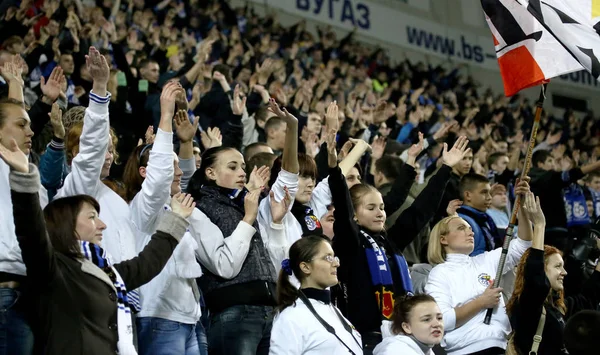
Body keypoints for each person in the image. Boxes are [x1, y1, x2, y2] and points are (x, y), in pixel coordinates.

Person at [0, 133, 195, 354]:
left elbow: (147, 263)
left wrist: (176, 220)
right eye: (92, 217)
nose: (102, 224)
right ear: (68, 226)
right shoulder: (53, 268)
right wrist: (22, 179)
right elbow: (31, 231)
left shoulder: (106, 273)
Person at [329, 133, 470, 354]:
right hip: (364, 338)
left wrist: (445, 169)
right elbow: (341, 201)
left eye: (382, 208)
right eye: (371, 208)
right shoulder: (349, 241)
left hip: (402, 336)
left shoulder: (389, 241)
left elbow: (419, 212)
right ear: (354, 215)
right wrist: (334, 168)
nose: (380, 213)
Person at [187, 145, 291, 355]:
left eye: (243, 167)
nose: (242, 173)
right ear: (210, 173)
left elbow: (276, 264)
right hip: (233, 314)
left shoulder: (246, 204)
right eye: (233, 167)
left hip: (269, 312)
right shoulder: (198, 210)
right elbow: (224, 266)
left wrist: (277, 223)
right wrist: (248, 218)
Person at [424, 178, 533, 355]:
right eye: (461, 228)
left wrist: (522, 206)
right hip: (466, 351)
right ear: (443, 239)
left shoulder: (485, 260)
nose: (470, 231)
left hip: (501, 347)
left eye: (470, 228)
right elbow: (442, 319)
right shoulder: (439, 273)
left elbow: (523, 246)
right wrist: (481, 302)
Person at [507, 192, 600, 354]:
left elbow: (588, 297)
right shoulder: (528, 306)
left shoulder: (556, 309)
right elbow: (536, 279)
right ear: (542, 269)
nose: (564, 272)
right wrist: (540, 226)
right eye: (557, 266)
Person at [269, 236, 363, 354]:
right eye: (327, 257)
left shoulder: (333, 310)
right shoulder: (291, 316)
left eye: (334, 257)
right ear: (306, 267)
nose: (336, 264)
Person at [373, 294, 444, 355]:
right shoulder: (396, 351)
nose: (437, 324)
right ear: (407, 327)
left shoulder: (426, 349)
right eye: (426, 319)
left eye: (439, 318)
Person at [457, 173, 501, 256]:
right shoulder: (460, 222)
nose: (489, 197)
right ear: (468, 195)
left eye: (490, 193)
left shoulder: (484, 218)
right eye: (484, 192)